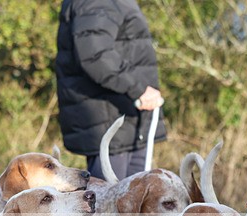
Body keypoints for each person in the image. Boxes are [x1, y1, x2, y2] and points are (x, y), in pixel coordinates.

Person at [55, 0, 166, 180]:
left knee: (131, 203)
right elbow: (95, 54)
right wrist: (138, 89)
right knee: (110, 202)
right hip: (113, 124)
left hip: (126, 122)